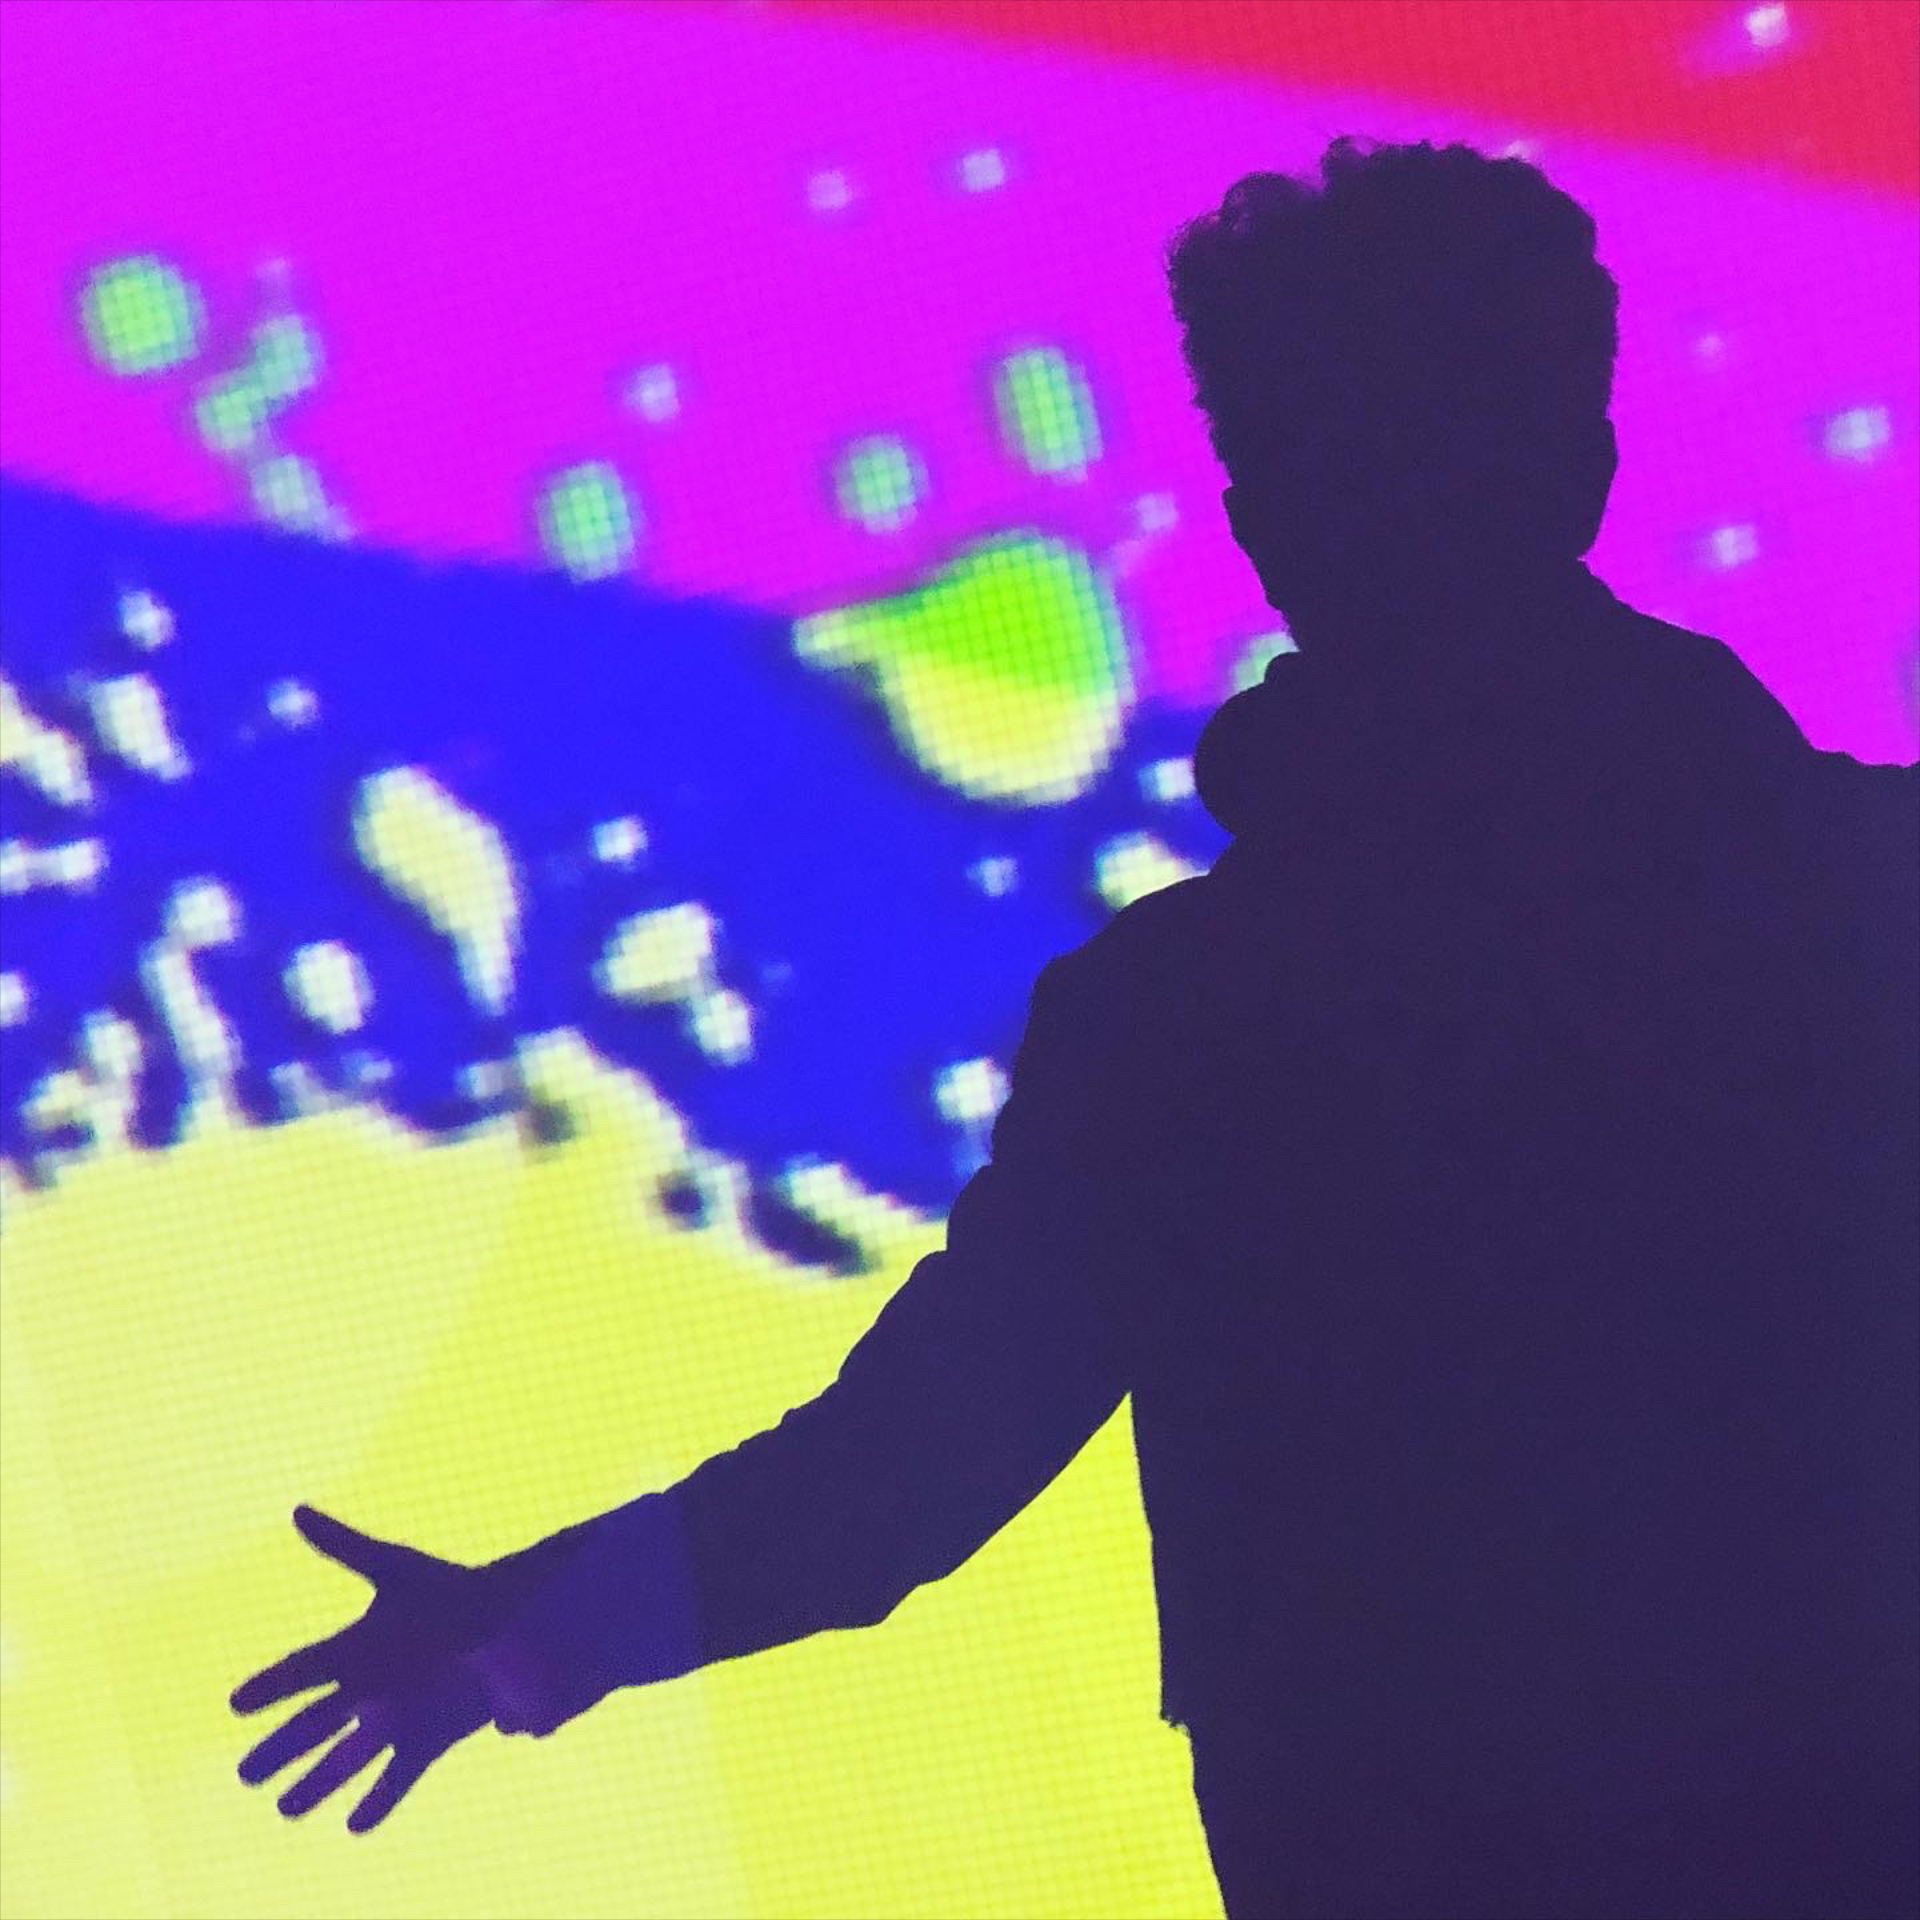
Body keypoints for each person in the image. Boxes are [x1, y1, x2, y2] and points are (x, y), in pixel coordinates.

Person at [233, 136, 1920, 1918]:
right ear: (1584, 453)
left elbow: (911, 1469)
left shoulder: (1183, 1026)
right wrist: (538, 1630)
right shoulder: (1861, 894)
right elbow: (909, 1467)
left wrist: (538, 1630)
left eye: (1318, 451)